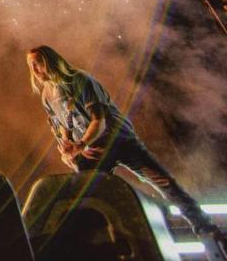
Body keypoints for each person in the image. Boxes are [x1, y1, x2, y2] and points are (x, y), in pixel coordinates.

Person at [26, 45, 226, 248]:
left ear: (51, 61)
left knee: (164, 183)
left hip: (120, 141)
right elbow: (62, 126)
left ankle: (206, 229)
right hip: (91, 151)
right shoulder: (47, 95)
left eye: (38, 63)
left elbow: (99, 121)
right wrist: (66, 147)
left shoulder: (81, 80)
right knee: (89, 196)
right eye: (31, 66)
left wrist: (80, 144)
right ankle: (105, 245)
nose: (34, 70)